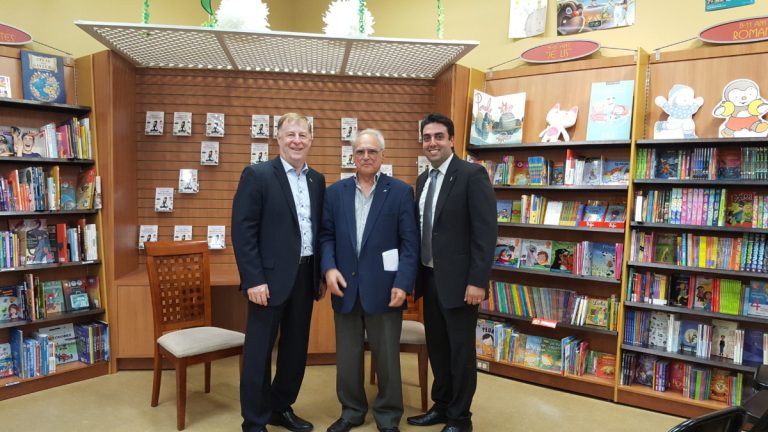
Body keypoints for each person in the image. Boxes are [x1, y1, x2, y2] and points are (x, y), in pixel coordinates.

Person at [319, 129, 418, 432]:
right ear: (352, 156)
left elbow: (410, 244)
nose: (366, 157)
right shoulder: (335, 192)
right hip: (345, 288)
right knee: (347, 359)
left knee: (387, 358)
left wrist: (403, 283)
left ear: (382, 156)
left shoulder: (400, 192)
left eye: (372, 152)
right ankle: (351, 411)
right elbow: (326, 236)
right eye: (360, 151)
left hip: (386, 290)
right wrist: (328, 268)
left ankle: (388, 416)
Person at [232, 112, 326, 432]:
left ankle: (280, 407)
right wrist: (253, 279)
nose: (297, 140)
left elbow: (317, 230)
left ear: (311, 139)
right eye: (290, 135)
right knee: (259, 353)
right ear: (278, 138)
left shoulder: (317, 179)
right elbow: (243, 231)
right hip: (267, 281)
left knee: (295, 350)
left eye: (302, 134)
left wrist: (320, 274)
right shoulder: (257, 175)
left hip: (305, 276)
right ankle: (255, 421)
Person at [407, 113, 496, 432]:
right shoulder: (423, 180)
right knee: (438, 349)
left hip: (461, 284)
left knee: (460, 353)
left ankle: (461, 418)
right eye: (427, 137)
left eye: (438, 136)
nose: (432, 143)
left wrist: (477, 281)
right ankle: (441, 406)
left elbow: (485, 234)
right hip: (429, 279)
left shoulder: (472, 175)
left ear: (451, 140)